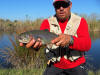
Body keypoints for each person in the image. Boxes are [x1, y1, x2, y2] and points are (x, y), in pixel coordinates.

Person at [20, 0, 91, 75]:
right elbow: (39, 44)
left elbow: (87, 45)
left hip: (77, 65)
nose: (61, 8)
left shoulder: (80, 21)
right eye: (58, 5)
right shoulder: (46, 22)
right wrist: (35, 47)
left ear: (70, 5)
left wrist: (71, 40)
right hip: (54, 65)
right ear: (54, 7)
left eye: (64, 4)